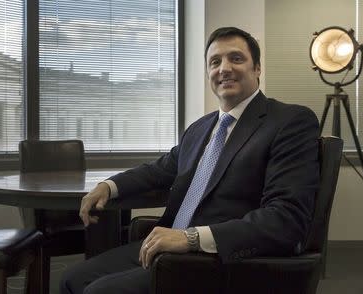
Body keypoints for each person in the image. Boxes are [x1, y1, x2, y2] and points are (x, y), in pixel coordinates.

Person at [60, 26, 320, 294]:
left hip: (222, 258)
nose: (224, 68)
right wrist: (109, 186)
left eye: (236, 58)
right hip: (166, 245)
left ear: (257, 69)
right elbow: (158, 170)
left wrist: (191, 238)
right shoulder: (200, 128)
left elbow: (286, 219)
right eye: (215, 62)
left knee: (98, 291)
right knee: (72, 280)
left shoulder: (289, 122)